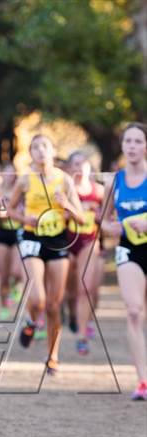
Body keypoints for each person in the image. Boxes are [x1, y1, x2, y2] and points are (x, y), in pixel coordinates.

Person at [8, 134, 84, 374]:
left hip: (57, 240)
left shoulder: (65, 180)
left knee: (53, 304)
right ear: (31, 154)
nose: (40, 151)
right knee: (38, 299)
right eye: (35, 148)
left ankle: (52, 356)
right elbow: (8, 208)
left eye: (45, 147)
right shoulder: (25, 180)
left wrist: (67, 205)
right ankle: (31, 321)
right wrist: (24, 218)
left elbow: (81, 218)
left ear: (52, 151)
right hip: (32, 237)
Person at [102, 123, 147, 400]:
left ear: (146, 146)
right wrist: (114, 228)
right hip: (129, 249)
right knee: (133, 311)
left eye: (137, 141)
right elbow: (103, 221)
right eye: (127, 141)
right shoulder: (113, 181)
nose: (131, 146)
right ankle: (143, 381)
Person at [66, 151, 104, 355]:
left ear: (90, 167)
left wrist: (99, 216)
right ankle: (72, 313)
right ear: (70, 168)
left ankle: (82, 335)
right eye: (75, 164)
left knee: (85, 289)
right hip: (67, 240)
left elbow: (108, 217)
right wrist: (72, 210)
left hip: (89, 241)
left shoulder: (99, 191)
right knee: (70, 291)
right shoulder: (64, 190)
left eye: (83, 164)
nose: (79, 168)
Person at [0, 162, 23, 319]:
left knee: (17, 272)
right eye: (7, 173)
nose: (10, 176)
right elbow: (1, 211)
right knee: (3, 275)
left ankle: (15, 287)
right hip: (3, 233)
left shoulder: (20, 189)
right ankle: (4, 305)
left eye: (13, 173)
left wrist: (10, 211)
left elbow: (11, 210)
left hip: (18, 232)